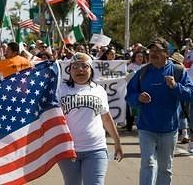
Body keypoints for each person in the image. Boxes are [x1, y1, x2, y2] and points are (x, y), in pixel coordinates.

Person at [125, 37, 193, 185]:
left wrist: (176, 87)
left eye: (158, 51)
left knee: (165, 168)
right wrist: (138, 98)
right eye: (151, 51)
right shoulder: (142, 72)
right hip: (146, 128)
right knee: (148, 164)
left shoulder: (178, 71)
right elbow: (129, 96)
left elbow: (190, 94)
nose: (153, 54)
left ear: (167, 53)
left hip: (169, 129)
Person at [58, 52, 123, 185]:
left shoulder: (99, 90)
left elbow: (106, 117)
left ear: (91, 70)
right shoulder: (60, 90)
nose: (80, 69)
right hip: (68, 151)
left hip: (96, 149)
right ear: (69, 70)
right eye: (75, 66)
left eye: (84, 66)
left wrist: (117, 141)